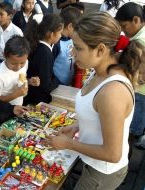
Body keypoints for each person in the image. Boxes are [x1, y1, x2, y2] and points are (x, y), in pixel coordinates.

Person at [46, 12, 145, 190]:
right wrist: (77, 126)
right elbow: (98, 116)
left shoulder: (112, 91)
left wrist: (69, 144)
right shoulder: (98, 71)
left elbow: (113, 153)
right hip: (92, 164)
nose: (72, 52)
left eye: (78, 48)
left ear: (100, 49)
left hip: (101, 173)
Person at [116, 2, 145, 148]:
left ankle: (126, 156)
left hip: (140, 92)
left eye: (124, 26)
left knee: (129, 131)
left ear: (136, 20)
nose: (123, 31)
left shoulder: (139, 42)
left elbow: (138, 72)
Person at [24, 13, 63, 104]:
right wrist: (57, 81)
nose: (61, 36)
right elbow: (46, 85)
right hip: (38, 100)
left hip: (31, 94)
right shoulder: (45, 53)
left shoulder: (37, 44)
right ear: (51, 34)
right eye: (60, 33)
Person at [0, 35, 40, 106]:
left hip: (19, 106)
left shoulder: (25, 62)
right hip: (6, 112)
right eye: (13, 63)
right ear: (4, 55)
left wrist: (29, 81)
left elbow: (22, 79)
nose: (18, 67)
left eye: (22, 63)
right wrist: (14, 95)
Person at [53, 7, 81, 86]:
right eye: (76, 28)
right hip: (57, 85)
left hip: (68, 83)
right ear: (70, 26)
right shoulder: (56, 43)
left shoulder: (72, 39)